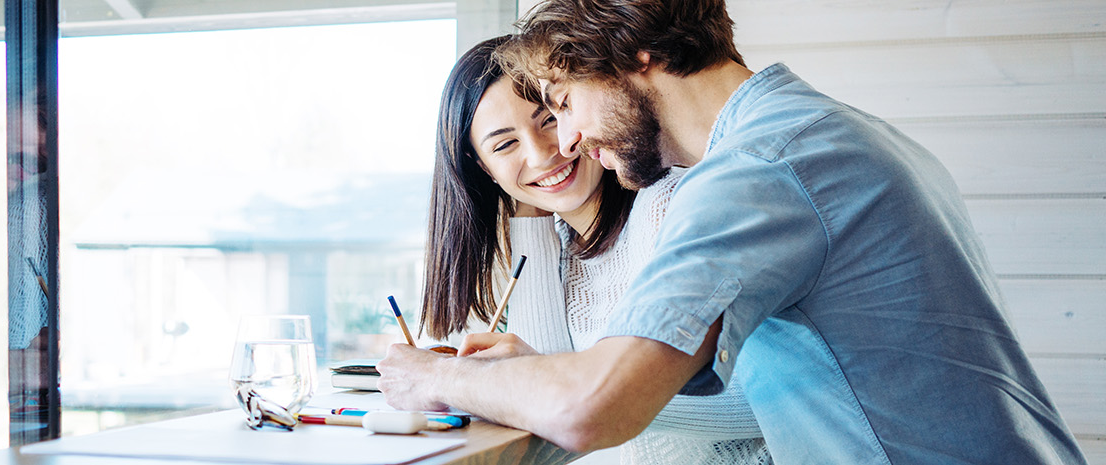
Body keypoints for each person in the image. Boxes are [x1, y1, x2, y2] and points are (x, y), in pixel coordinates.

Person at [379, 1, 1087, 463]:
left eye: (563, 103)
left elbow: (592, 406)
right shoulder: (834, 132)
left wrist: (438, 373)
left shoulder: (757, 171)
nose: (565, 138)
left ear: (637, 55)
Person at [421, 35, 767, 464]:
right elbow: (540, 396)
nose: (544, 153)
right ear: (483, 169)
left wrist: (587, 394)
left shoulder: (667, 204)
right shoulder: (558, 246)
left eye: (549, 118)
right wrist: (529, 212)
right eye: (505, 144)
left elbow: (754, 406)